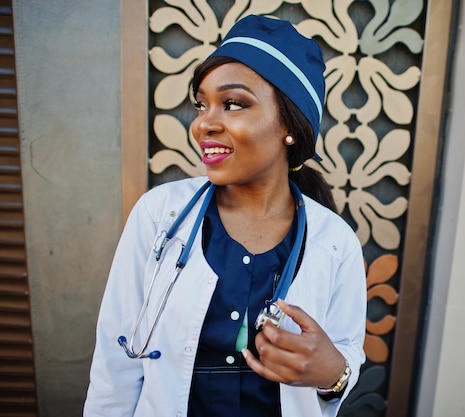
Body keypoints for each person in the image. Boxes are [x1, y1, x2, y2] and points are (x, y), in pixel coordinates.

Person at [83, 14, 366, 417]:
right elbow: (116, 363)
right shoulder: (159, 215)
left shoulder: (335, 242)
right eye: (202, 104)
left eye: (232, 104)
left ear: (290, 123)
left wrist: (334, 373)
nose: (203, 124)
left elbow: (345, 355)